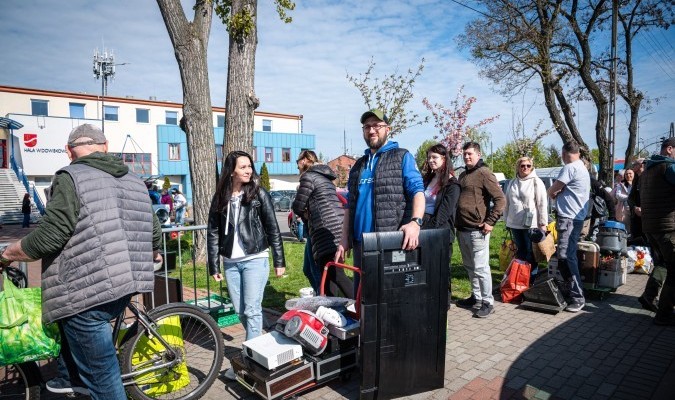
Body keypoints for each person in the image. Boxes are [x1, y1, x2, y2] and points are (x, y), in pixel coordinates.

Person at [0, 124, 162, 399]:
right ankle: (69, 377)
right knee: (80, 341)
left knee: (104, 379)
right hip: (126, 280)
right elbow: (154, 229)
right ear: (106, 146)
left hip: (88, 290)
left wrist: (7, 254)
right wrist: (155, 251)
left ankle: (79, 380)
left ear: (68, 151)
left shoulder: (70, 176)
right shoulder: (134, 179)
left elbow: (50, 236)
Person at [207, 150, 285, 379]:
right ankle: (261, 347)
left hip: (255, 259)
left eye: (250, 166)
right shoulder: (220, 197)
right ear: (231, 170)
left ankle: (248, 366)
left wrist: (279, 261)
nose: (249, 170)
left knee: (252, 311)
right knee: (242, 312)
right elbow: (213, 232)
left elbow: (273, 228)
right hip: (231, 262)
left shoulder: (259, 193)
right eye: (243, 167)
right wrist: (214, 265)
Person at [334, 109, 425, 296]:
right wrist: (344, 240)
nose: (372, 130)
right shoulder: (358, 165)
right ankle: (365, 325)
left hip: (389, 242)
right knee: (362, 297)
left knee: (389, 298)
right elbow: (350, 206)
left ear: (388, 129)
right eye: (367, 126)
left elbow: (417, 191)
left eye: (377, 125)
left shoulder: (401, 156)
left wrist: (416, 222)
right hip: (361, 244)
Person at [455, 142, 505, 318]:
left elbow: (500, 199)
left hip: (478, 231)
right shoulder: (463, 175)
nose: (467, 157)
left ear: (478, 154)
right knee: (469, 266)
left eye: (470, 154)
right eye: (464, 154)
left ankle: (487, 301)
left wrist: (490, 222)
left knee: (481, 268)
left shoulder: (484, 173)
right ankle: (476, 297)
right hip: (462, 229)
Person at [293, 150, 353, 298]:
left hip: (324, 229)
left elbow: (297, 206)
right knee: (330, 276)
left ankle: (362, 306)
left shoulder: (308, 176)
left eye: (298, 161)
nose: (298, 165)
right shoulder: (325, 178)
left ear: (305, 160)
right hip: (336, 229)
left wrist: (306, 213)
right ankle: (334, 311)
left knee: (335, 275)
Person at [547, 141, 590, 312]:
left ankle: (577, 296)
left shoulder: (570, 168)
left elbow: (552, 190)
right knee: (567, 256)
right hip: (576, 218)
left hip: (568, 219)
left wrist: (555, 192)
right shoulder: (582, 167)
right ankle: (572, 291)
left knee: (566, 257)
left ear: (564, 153)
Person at [639, 137, 675, 325]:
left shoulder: (646, 171)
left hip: (651, 227)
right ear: (669, 149)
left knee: (662, 264)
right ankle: (665, 314)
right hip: (668, 227)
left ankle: (648, 296)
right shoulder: (669, 167)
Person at [420, 143, 460, 303]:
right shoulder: (428, 179)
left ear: (444, 159)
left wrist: (427, 230)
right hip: (423, 227)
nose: (431, 160)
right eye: (429, 157)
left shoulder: (452, 184)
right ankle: (429, 298)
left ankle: (444, 301)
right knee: (426, 268)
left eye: (434, 157)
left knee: (441, 269)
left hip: (440, 231)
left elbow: (444, 213)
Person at [503, 156, 548, 284]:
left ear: (532, 167)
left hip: (531, 225)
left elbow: (542, 204)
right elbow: (506, 204)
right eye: (522, 165)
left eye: (528, 165)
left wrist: (543, 224)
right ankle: (520, 280)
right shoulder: (512, 182)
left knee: (531, 254)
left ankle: (530, 281)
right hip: (515, 224)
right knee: (520, 254)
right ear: (518, 167)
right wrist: (506, 221)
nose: (525, 168)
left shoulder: (536, 182)